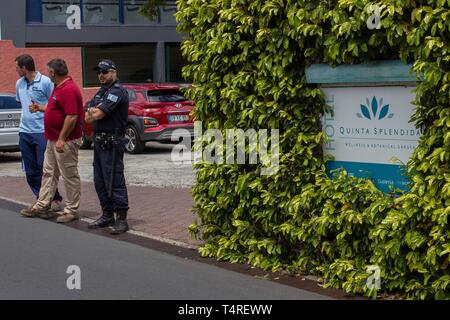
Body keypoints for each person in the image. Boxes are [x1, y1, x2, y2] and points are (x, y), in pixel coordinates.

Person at [20, 58, 83, 223]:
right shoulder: (58, 87)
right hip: (52, 139)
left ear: (53, 73)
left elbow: (72, 116)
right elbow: (55, 107)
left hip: (65, 140)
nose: (48, 74)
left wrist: (62, 138)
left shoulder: (69, 89)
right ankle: (42, 204)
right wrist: (40, 107)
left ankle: (71, 210)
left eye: (49, 71)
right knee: (48, 172)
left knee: (69, 174)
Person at [84, 59, 129, 235]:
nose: (100, 75)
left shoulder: (117, 91)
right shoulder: (101, 91)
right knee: (100, 181)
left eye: (104, 72)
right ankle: (107, 214)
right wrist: (93, 111)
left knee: (114, 180)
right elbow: (88, 116)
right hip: (99, 142)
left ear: (113, 72)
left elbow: (98, 113)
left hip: (112, 142)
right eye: (99, 72)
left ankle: (122, 219)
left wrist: (94, 111)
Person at [15, 54, 63, 211]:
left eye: (17, 67)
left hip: (42, 131)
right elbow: (22, 105)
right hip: (24, 132)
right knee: (30, 170)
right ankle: (41, 200)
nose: (16, 70)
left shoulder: (46, 82)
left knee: (45, 168)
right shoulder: (19, 84)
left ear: (24, 68)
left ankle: (54, 198)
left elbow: (55, 104)